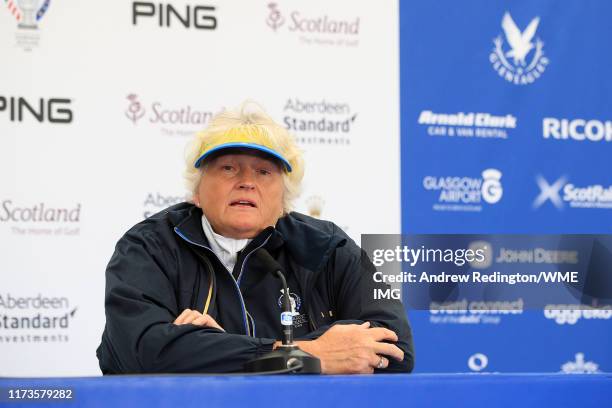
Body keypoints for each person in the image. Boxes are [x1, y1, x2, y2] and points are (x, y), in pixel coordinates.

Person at [96, 101, 414, 374]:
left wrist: (214, 351)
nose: (247, 182)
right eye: (229, 168)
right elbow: (144, 354)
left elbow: (397, 346)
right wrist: (306, 356)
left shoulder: (326, 247)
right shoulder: (148, 247)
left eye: (264, 172)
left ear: (285, 200)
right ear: (196, 191)